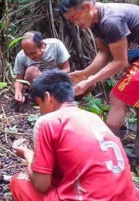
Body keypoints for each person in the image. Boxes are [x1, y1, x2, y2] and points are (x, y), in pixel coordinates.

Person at [10, 70, 138, 201]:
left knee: (18, 182)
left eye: (40, 104)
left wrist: (27, 153)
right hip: (127, 197)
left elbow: (41, 184)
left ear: (47, 97)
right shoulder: (93, 118)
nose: (41, 111)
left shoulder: (48, 121)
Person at [60, 0, 139, 159]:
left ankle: (105, 149)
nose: (76, 23)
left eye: (76, 17)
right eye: (71, 21)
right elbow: (104, 54)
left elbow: (120, 61)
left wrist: (88, 82)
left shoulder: (111, 20)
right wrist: (85, 73)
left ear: (88, 6)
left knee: (117, 97)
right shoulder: (96, 23)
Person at [13, 31, 70, 103]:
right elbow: (19, 80)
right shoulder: (21, 56)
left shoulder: (56, 45)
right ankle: (42, 97)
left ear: (42, 45)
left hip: (56, 82)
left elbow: (66, 69)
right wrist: (18, 92)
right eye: (26, 53)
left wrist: (50, 78)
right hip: (38, 86)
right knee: (31, 71)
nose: (30, 56)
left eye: (33, 53)